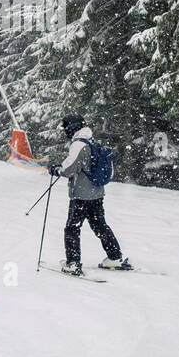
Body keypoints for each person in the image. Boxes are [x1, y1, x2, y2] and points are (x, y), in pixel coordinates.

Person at [49, 113, 130, 275]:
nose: (65, 131)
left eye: (66, 128)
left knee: (72, 228)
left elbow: (69, 169)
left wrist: (56, 169)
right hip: (97, 194)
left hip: (81, 196)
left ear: (72, 128)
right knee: (100, 226)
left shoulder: (78, 144)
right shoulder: (91, 140)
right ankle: (115, 257)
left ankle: (73, 264)